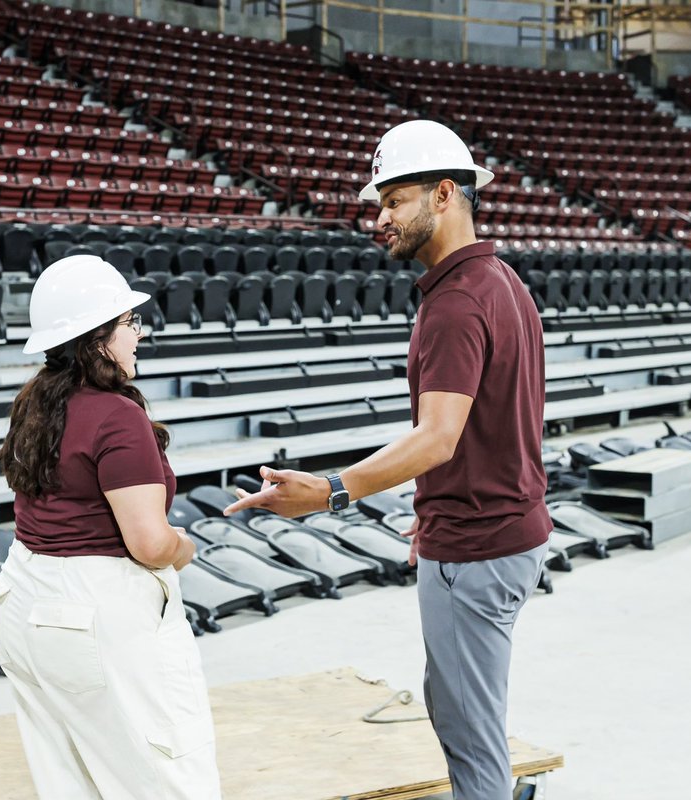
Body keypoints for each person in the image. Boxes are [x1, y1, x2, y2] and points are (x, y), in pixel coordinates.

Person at [224, 120, 550, 800]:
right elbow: (496, 421)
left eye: (394, 200)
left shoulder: (456, 303)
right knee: (459, 708)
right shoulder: (503, 282)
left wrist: (332, 491)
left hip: (478, 548)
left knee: (471, 741)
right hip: (492, 530)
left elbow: (438, 437)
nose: (381, 219)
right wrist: (438, 503)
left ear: (442, 195)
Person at [0, 255, 222, 800]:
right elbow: (148, 543)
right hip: (98, 610)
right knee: (167, 775)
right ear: (97, 338)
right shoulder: (117, 415)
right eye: (129, 323)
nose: (138, 335)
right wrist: (184, 546)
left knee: (70, 779)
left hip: (27, 599)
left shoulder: (36, 400)